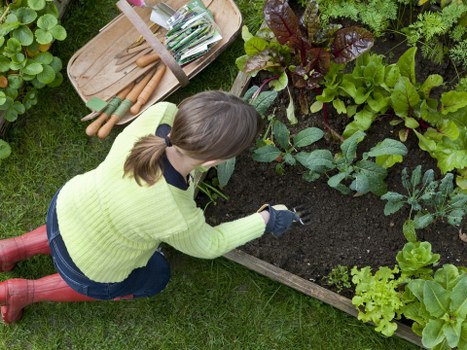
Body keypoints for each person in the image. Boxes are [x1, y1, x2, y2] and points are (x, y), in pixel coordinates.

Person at [0, 90, 300, 324]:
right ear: (211, 163)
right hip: (89, 267)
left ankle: (11, 248)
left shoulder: (160, 114)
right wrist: (266, 219)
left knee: (75, 230)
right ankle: (25, 292)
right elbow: (211, 244)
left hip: (67, 206)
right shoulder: (175, 213)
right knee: (156, 276)